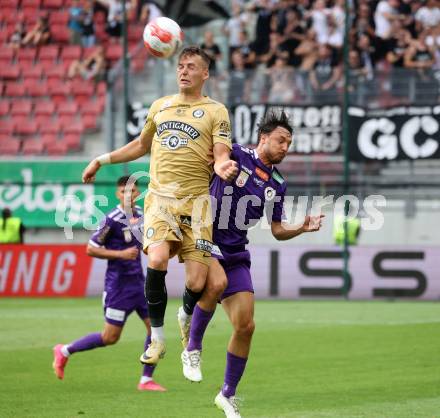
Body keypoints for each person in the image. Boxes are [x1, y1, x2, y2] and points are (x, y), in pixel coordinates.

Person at [81, 46, 238, 368]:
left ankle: (184, 312)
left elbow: (222, 151)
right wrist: (102, 159)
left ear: (205, 74)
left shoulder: (216, 110)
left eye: (191, 66)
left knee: (196, 282)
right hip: (160, 201)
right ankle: (158, 338)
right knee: (157, 257)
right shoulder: (160, 106)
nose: (184, 71)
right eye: (181, 65)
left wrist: (222, 165)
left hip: (198, 206)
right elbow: (141, 145)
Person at [178, 111, 324, 417]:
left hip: (236, 251)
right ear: (264, 138)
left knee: (246, 326)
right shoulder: (235, 153)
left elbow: (278, 230)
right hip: (206, 236)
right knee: (215, 283)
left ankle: (227, 395)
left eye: (289, 143)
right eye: (281, 140)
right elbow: (208, 160)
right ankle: (192, 347)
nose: (285, 147)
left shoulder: (278, 184)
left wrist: (301, 226)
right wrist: (218, 167)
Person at [52, 176, 165, 391]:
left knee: (155, 328)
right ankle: (64, 351)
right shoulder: (111, 219)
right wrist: (120, 254)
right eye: (124, 192)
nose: (128, 196)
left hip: (140, 284)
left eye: (132, 192)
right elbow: (91, 248)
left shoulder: (141, 215)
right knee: (110, 337)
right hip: (118, 287)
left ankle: (146, 380)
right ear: (117, 194)